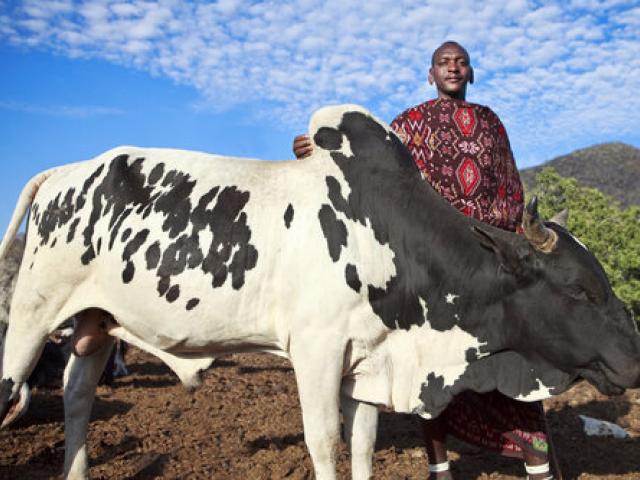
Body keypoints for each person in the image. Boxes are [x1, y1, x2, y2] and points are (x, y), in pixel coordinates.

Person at [293, 41, 560, 480]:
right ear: (430, 74)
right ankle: (439, 467)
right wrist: (319, 151)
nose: (453, 68)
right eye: (443, 63)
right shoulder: (408, 125)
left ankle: (539, 462)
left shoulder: (491, 121)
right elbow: (373, 161)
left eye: (461, 62)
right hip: (434, 269)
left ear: (471, 72)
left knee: (511, 361)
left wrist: (516, 249)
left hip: (488, 266)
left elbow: (510, 186)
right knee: (432, 370)